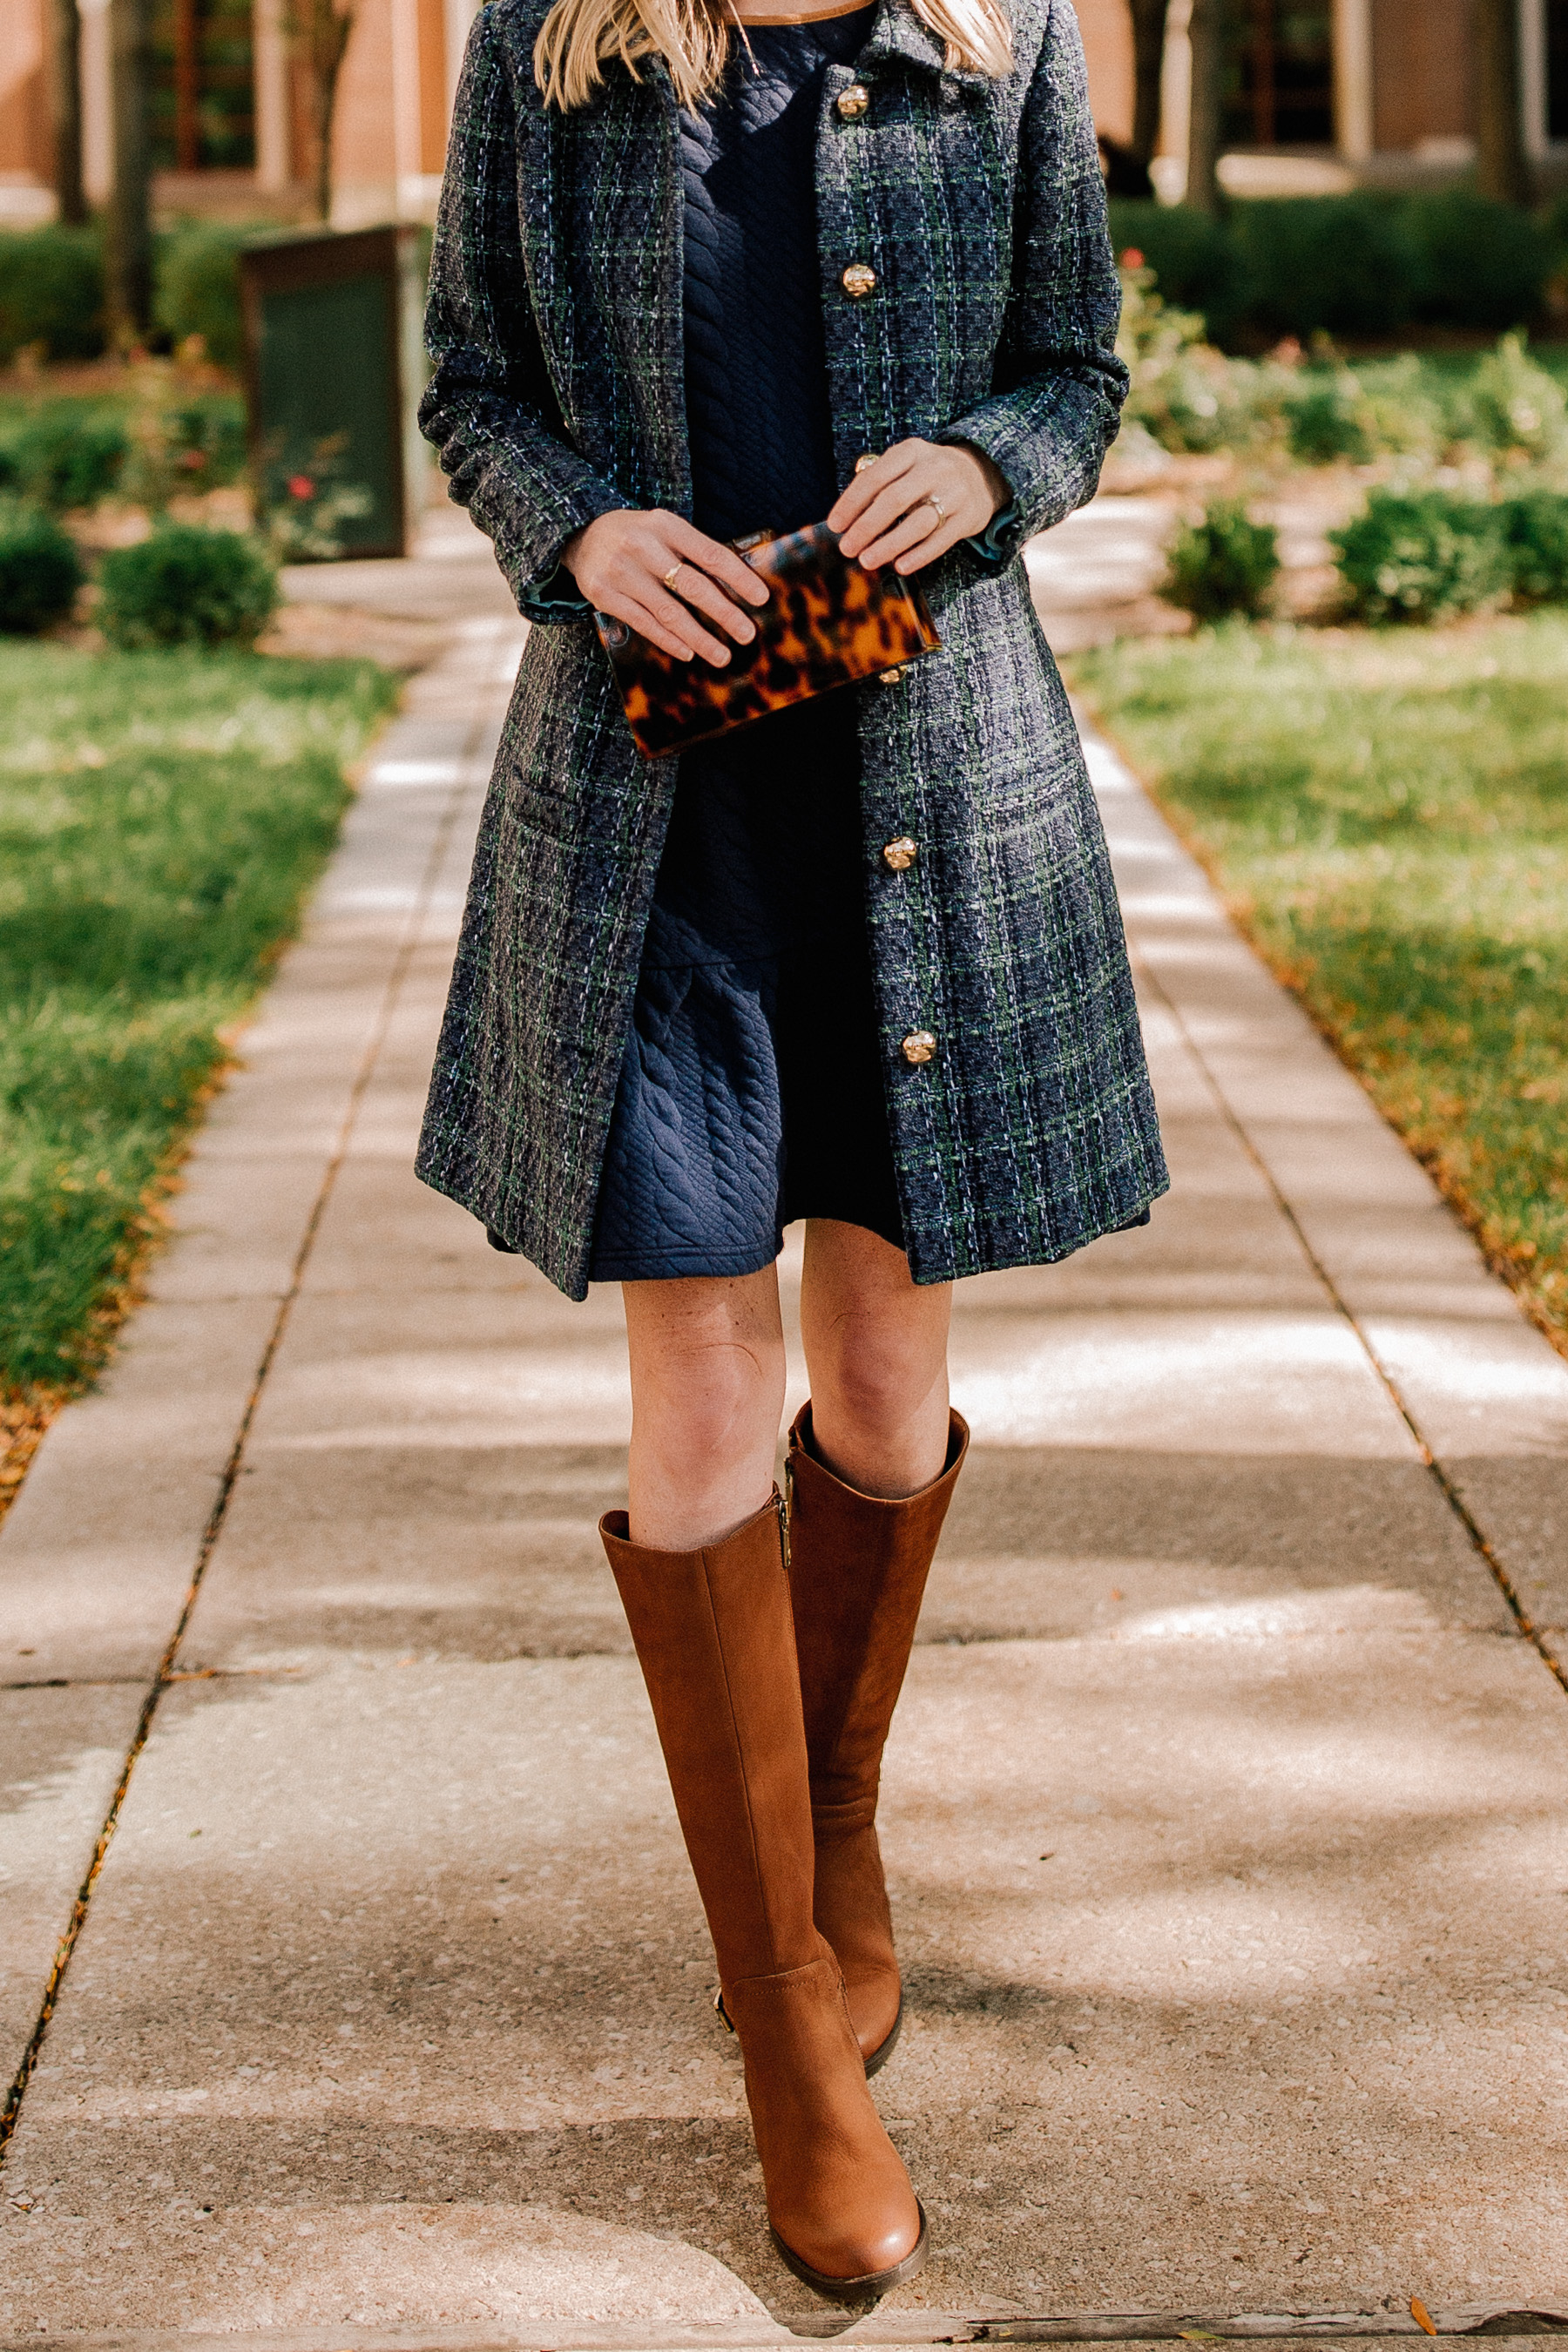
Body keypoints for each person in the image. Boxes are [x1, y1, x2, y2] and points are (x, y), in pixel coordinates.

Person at [416, 0, 1167, 2300]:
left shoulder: (997, 35)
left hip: (922, 793)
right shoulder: (555, 43)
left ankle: (831, 1833)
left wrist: (994, 468)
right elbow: (471, 386)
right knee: (707, 1396)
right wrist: (588, 529)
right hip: (657, 814)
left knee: (874, 1375)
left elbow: (1078, 368)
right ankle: (790, 2047)